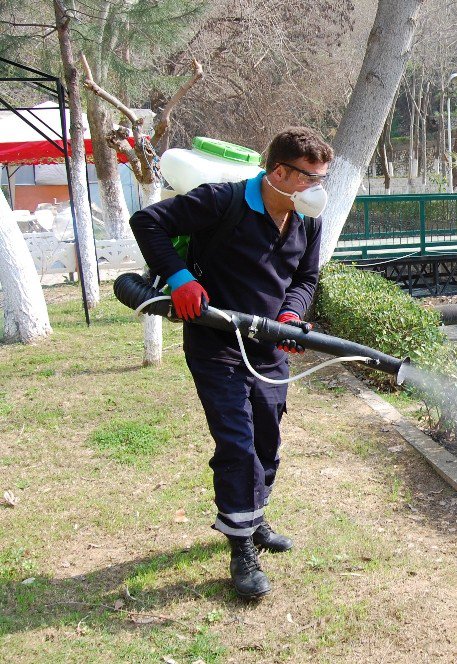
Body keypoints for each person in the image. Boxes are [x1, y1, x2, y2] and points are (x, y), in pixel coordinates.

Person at [130, 127, 334, 599]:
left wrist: (291, 314)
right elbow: (149, 223)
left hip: (268, 348)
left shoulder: (308, 221)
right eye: (309, 178)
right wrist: (179, 277)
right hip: (215, 342)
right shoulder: (222, 201)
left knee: (266, 438)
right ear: (279, 172)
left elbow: (306, 276)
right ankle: (242, 548)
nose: (317, 190)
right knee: (237, 442)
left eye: (323, 179)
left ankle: (254, 517)